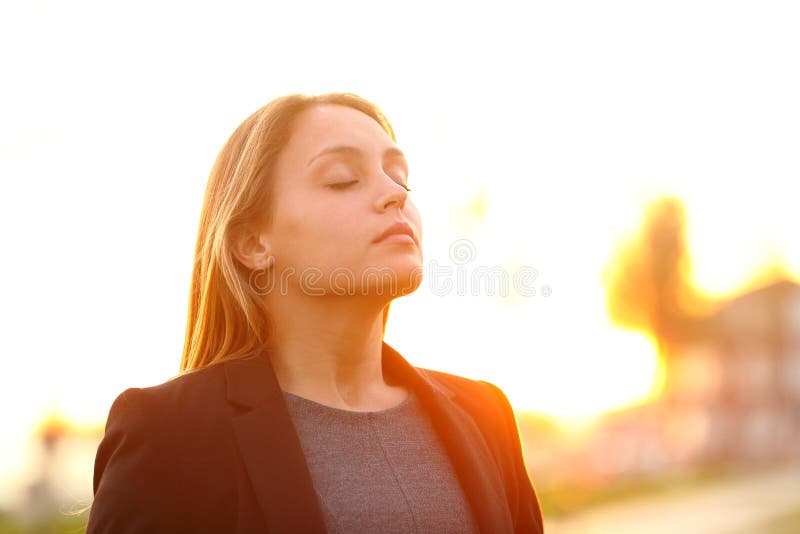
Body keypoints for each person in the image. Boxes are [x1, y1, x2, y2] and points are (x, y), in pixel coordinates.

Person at [86, 92, 545, 533]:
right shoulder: (167, 435)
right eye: (343, 178)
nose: (395, 195)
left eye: (401, 178)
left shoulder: (486, 414)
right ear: (252, 243)